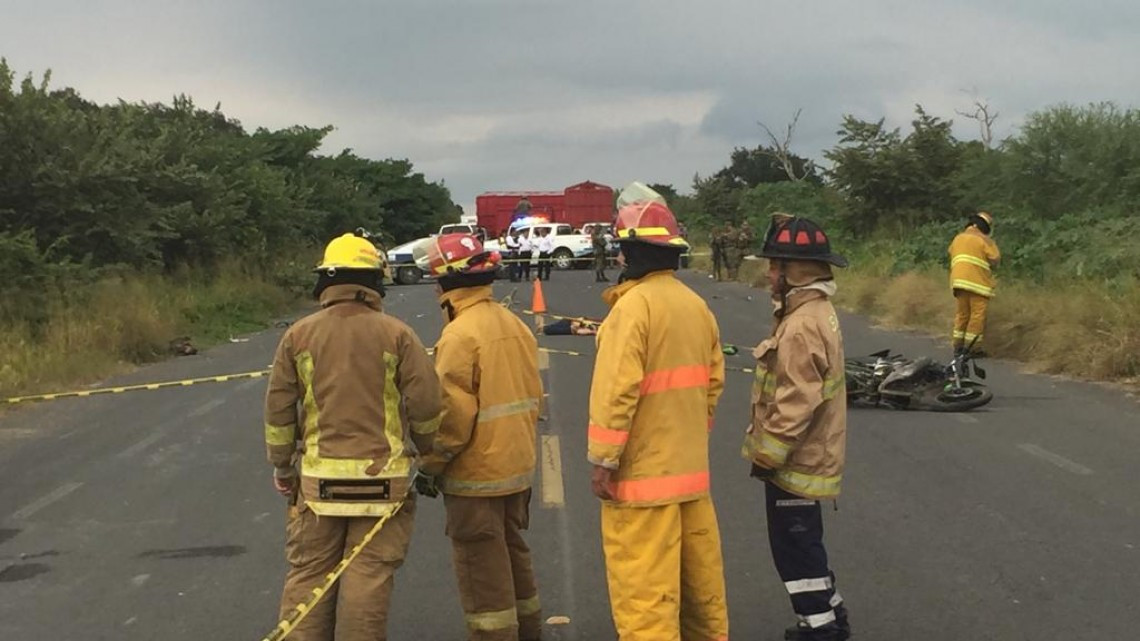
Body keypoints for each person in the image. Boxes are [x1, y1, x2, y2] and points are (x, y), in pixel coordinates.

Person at [264, 231, 443, 641]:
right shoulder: (398, 334)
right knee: (368, 576)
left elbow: (278, 409)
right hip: (383, 486)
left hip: (318, 486)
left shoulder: (298, 335)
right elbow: (427, 405)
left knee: (309, 575)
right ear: (373, 282)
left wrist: (282, 466)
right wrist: (429, 451)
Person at [587, 194, 729, 641]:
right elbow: (712, 385)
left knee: (646, 597)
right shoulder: (695, 306)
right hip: (689, 476)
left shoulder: (632, 310)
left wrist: (604, 461)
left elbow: (616, 391)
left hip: (641, 482)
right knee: (700, 592)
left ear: (628, 253)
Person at [414, 234, 544, 641]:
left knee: (481, 566)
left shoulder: (459, 335)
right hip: (515, 467)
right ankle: (529, 631)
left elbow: (452, 415)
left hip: (476, 476)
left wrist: (431, 465)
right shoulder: (513, 323)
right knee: (511, 551)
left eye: (435, 279)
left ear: (448, 284)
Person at [741, 215, 851, 641]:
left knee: (795, 549)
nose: (769, 274)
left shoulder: (803, 324)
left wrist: (768, 455)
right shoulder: (816, 311)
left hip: (795, 461)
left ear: (795, 272)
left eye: (774, 267)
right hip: (809, 455)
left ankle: (820, 628)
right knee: (806, 543)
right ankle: (831, 613)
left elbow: (795, 400)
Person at [948, 211, 1000, 356]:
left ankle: (957, 347)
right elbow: (995, 259)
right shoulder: (984, 240)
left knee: (962, 314)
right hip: (977, 283)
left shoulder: (958, 238)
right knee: (977, 315)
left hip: (958, 282)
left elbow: (951, 252)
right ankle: (972, 348)